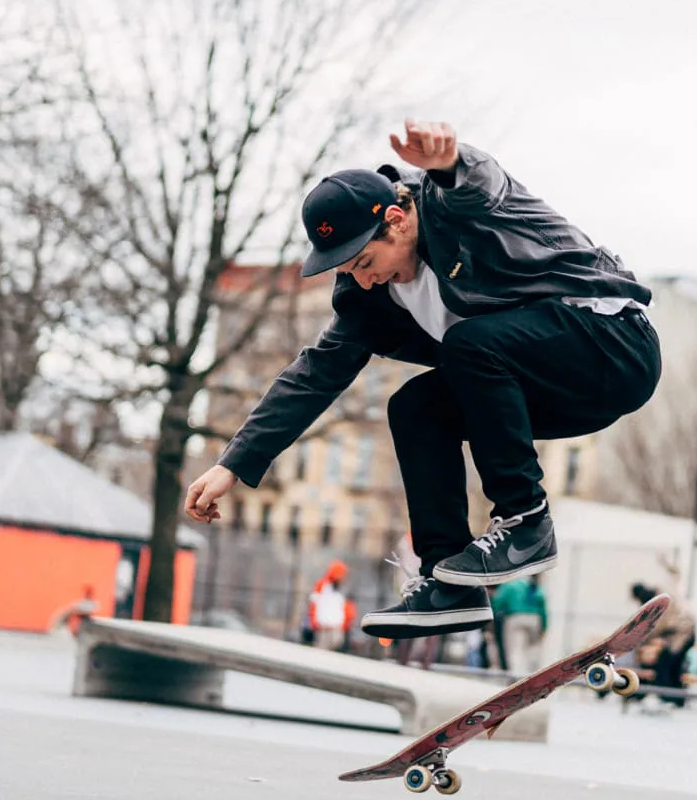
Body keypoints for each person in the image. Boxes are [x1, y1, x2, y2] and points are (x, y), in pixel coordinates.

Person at [183, 120, 661, 639]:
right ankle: (449, 582)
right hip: (551, 392)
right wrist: (234, 462)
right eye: (348, 270)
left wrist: (449, 160)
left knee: (469, 344)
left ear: (397, 218)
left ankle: (526, 521)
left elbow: (479, 185)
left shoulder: (448, 206)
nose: (363, 279)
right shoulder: (368, 299)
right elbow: (315, 374)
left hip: (613, 346)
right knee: (414, 406)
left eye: (366, 261)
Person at [492, 577, 549, 676]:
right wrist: (544, 626)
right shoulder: (533, 584)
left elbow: (497, 601)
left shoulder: (510, 584)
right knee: (533, 650)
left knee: (515, 650)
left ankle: (516, 677)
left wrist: (495, 614)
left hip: (515, 618)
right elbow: (543, 606)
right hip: (535, 619)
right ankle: (533, 675)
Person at [306, 560, 354, 651]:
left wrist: (345, 624)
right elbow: (313, 604)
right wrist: (314, 622)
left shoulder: (342, 589)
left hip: (337, 628)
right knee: (321, 650)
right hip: (323, 627)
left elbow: (347, 608)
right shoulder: (322, 585)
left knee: (335, 647)